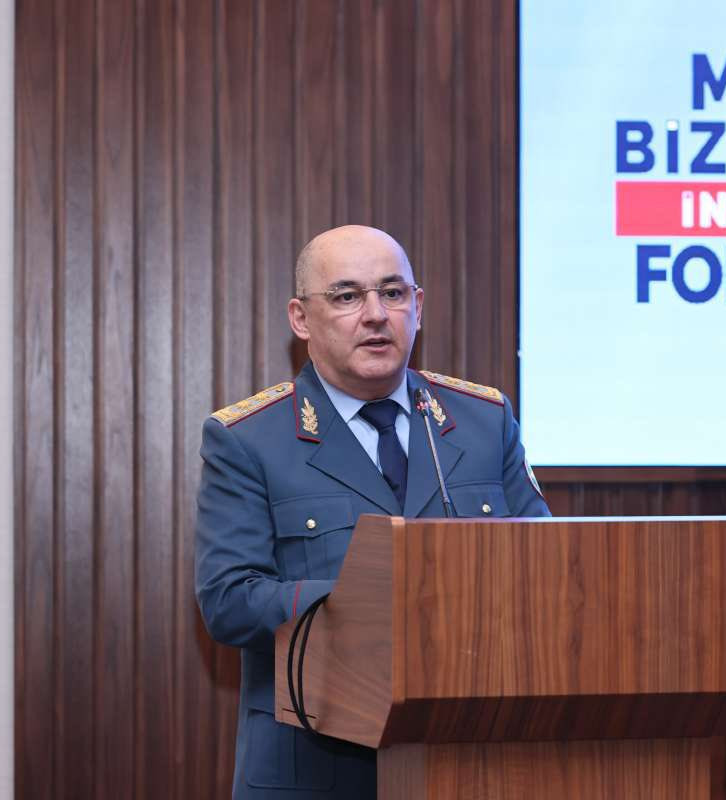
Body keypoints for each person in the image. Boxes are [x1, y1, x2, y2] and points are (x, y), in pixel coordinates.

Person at [195, 225, 550, 798]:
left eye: (392, 293)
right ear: (301, 318)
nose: (376, 314)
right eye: (346, 296)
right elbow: (229, 602)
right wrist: (380, 598)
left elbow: (546, 568)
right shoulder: (248, 439)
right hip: (315, 767)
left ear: (418, 307)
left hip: (467, 758)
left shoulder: (483, 421)